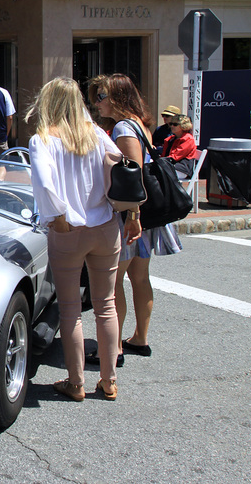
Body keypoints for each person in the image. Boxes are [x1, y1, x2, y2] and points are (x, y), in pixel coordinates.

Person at [27, 76, 137, 402]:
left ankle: (76, 383)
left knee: (70, 308)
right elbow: (122, 169)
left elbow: (45, 185)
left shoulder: (43, 140)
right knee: (105, 306)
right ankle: (109, 380)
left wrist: (58, 217)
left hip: (68, 230)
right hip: (105, 225)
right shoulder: (99, 135)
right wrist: (128, 211)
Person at [91, 73, 182, 366]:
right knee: (139, 277)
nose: (97, 102)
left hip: (134, 215)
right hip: (145, 214)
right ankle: (139, 339)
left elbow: (134, 175)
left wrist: (133, 216)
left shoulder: (122, 127)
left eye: (102, 96)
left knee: (115, 279)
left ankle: (114, 346)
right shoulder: (137, 122)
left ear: (116, 98)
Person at [162, 114, 200, 179]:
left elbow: (175, 156)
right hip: (170, 166)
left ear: (183, 126)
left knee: (157, 174)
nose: (172, 126)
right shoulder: (172, 139)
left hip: (182, 169)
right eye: (170, 124)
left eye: (175, 124)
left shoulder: (188, 139)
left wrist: (160, 162)